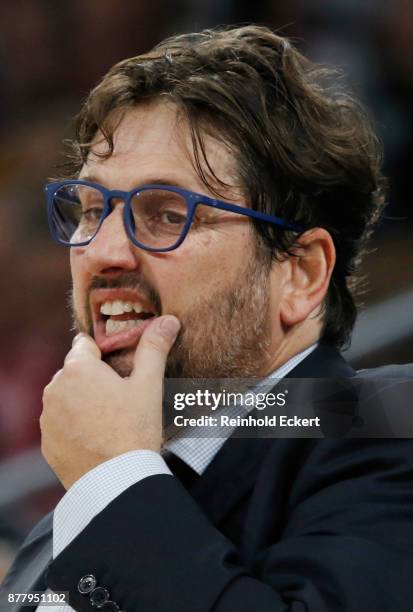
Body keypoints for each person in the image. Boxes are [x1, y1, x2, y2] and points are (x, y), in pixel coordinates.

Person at [2, 24, 413, 612]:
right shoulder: (68, 519)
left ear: (300, 274)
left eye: (168, 214)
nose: (103, 251)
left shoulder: (387, 429)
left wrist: (115, 476)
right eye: (92, 209)